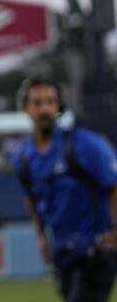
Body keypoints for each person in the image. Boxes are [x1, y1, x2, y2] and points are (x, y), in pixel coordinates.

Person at [14, 77, 117, 302]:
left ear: (59, 108)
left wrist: (114, 234)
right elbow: (31, 198)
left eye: (50, 102)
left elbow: (114, 183)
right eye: (37, 102)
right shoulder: (22, 158)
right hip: (64, 254)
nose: (44, 108)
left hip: (96, 253)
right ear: (26, 109)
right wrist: (41, 237)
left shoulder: (85, 145)